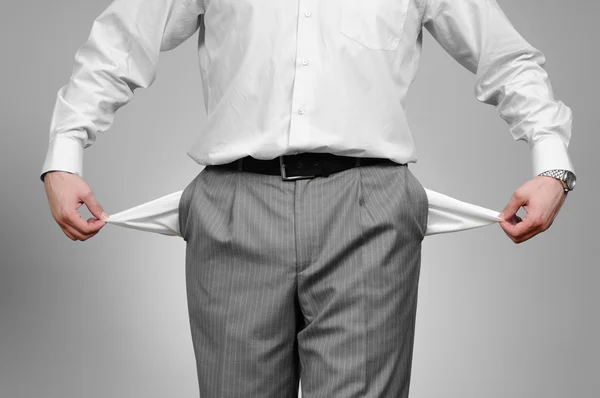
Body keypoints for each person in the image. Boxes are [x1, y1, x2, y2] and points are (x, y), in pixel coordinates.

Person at [40, 0, 576, 396]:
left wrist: (552, 162)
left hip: (370, 210)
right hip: (233, 206)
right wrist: (65, 154)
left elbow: (505, 57)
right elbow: (122, 39)